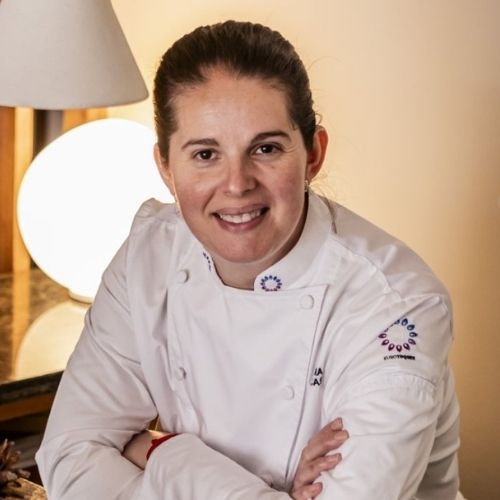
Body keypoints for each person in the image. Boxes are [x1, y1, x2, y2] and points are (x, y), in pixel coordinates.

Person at [35, 20, 461, 499]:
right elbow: (70, 456)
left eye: (266, 148)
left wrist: (161, 453)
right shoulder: (149, 255)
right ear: (166, 167)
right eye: (205, 154)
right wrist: (248, 483)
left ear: (313, 155)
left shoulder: (396, 308)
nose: (237, 184)